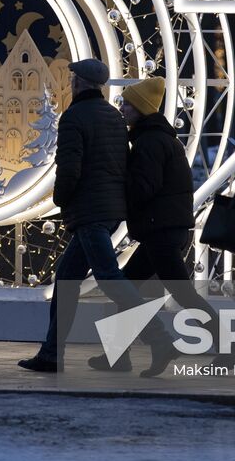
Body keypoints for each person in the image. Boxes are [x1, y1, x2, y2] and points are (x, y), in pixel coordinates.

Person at [19, 58, 174, 375]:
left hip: (89, 210)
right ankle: (51, 354)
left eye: (72, 77)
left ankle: (160, 337)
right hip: (110, 210)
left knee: (110, 277)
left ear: (79, 83)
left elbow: (69, 167)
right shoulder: (114, 118)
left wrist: (62, 198)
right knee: (66, 279)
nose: (70, 81)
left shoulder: (75, 117)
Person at [87, 76, 231, 374]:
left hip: (160, 230)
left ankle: (231, 352)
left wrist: (116, 183)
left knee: (180, 294)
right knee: (130, 287)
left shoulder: (149, 142)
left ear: (141, 108)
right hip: (165, 228)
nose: (122, 108)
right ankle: (119, 356)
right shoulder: (159, 138)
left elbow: (143, 187)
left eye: (127, 103)